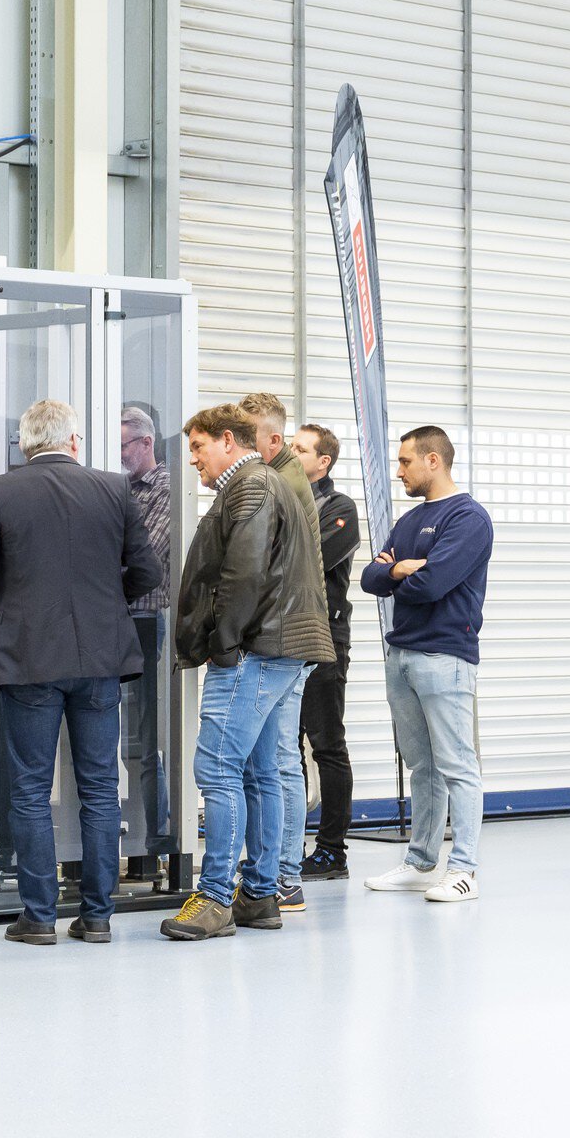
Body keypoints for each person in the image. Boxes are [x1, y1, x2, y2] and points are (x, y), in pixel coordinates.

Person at [0, 398, 163, 946]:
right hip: (100, 659)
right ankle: (97, 916)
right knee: (99, 787)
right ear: (74, 441)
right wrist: (103, 605)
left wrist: (18, 608)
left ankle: (39, 917)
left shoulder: (0, 491)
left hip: (30, 659)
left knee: (29, 787)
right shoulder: (114, 489)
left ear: (25, 445)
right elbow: (148, 571)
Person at [160, 403, 334, 942]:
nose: (193, 459)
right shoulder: (263, 482)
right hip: (280, 646)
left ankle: (214, 898)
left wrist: (224, 644)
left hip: (256, 649)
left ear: (228, 441)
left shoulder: (250, 486)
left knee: (217, 769)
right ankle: (259, 895)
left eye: (198, 446)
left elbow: (244, 575)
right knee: (260, 773)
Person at [360, 426, 493, 902]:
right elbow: (370, 578)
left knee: (457, 765)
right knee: (422, 767)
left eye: (405, 462)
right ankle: (420, 862)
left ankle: (464, 870)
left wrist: (399, 573)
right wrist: (399, 568)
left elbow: (433, 584)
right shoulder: (410, 521)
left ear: (433, 460)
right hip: (402, 655)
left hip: (445, 656)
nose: (399, 472)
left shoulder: (468, 518)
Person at [240, 391, 325, 912]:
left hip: (287, 637)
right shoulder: (281, 476)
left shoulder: (280, 484)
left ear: (272, 440)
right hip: (289, 634)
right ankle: (276, 871)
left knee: (277, 759)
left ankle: (284, 875)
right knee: (275, 758)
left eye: (245, 436)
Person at [293, 423, 361, 880]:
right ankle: (287, 846)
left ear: (323, 462)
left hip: (323, 640)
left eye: (300, 449)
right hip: (284, 641)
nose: (291, 453)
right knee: (286, 749)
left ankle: (332, 851)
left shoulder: (339, 507)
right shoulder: (282, 498)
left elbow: (308, 561)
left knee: (327, 745)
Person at [119, 405, 172, 856]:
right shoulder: (119, 488)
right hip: (117, 621)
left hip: (146, 622)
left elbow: (146, 558)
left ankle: (156, 839)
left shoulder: (166, 489)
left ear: (146, 443)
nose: (119, 456)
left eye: (123, 447)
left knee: (146, 739)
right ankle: (137, 835)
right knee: (125, 742)